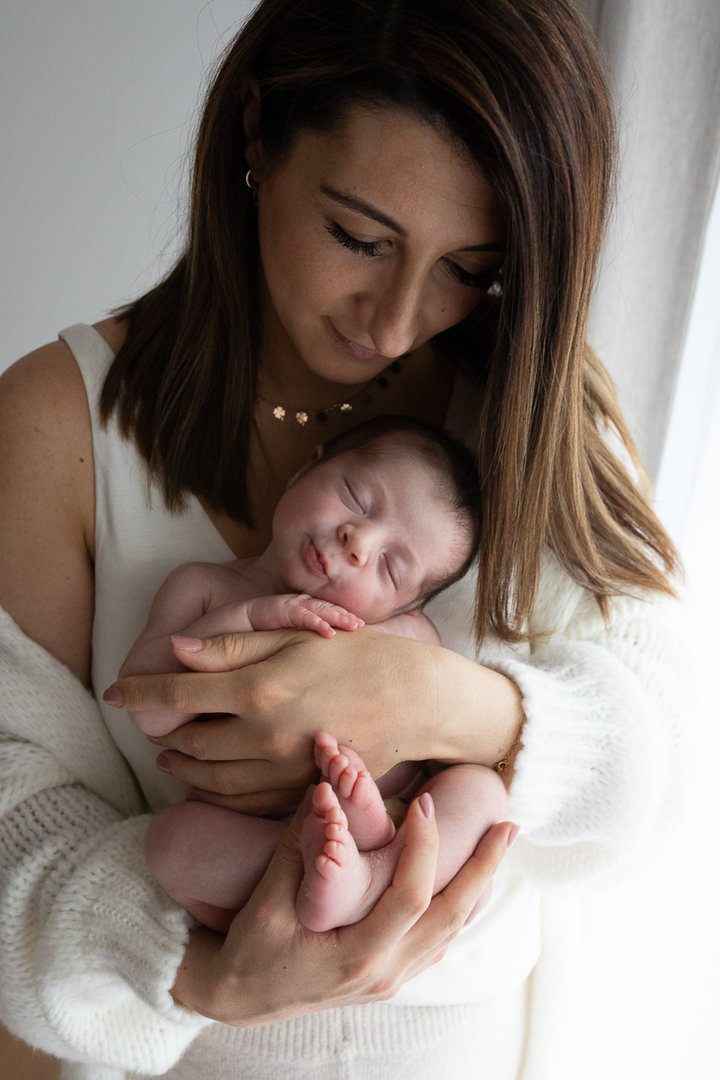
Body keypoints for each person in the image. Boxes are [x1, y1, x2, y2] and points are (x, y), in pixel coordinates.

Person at [0, 1, 689, 1079]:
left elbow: (660, 768)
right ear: (256, 136)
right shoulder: (57, 424)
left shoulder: (535, 415)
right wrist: (204, 973)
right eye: (360, 238)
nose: (400, 320)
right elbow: (13, 819)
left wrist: (446, 707)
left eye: (471, 267)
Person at [121, 415, 509, 935]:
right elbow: (145, 706)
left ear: (409, 606)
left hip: (396, 818)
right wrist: (252, 619)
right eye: (357, 498)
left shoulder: (401, 633)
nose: (360, 541)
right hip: (260, 833)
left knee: (483, 793)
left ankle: (368, 883)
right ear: (306, 468)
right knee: (169, 844)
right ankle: (322, 879)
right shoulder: (205, 588)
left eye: (391, 567)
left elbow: (447, 729)